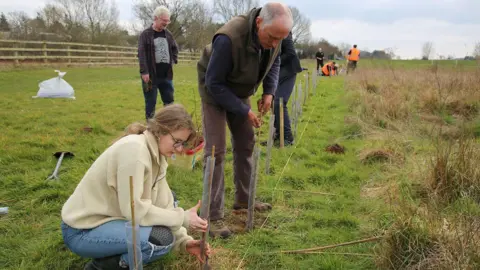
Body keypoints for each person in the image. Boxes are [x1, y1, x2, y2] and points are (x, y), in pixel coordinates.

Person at [60, 104, 211, 270]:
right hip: (83, 230)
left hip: (109, 219)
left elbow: (164, 203)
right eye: (177, 142)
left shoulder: (157, 156)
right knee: (161, 240)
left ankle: (111, 253)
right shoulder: (135, 152)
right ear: (161, 130)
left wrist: (185, 242)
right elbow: (134, 211)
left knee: (171, 201)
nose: (180, 149)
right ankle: (103, 266)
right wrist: (183, 218)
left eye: (182, 143)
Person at [196, 2, 293, 238]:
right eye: (271, 37)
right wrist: (243, 109)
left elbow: (274, 62)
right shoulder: (228, 38)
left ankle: (244, 199)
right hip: (214, 92)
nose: (274, 44)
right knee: (216, 151)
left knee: (246, 143)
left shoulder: (274, 38)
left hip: (241, 91)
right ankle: (213, 216)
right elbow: (214, 83)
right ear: (259, 22)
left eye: (280, 39)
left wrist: (269, 91)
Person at [138, 6, 179, 120]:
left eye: (168, 21)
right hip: (149, 77)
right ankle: (150, 128)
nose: (166, 24)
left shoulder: (168, 34)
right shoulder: (145, 35)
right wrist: (144, 72)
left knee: (169, 103)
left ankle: (169, 125)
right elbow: (141, 54)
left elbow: (175, 48)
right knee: (150, 103)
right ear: (156, 18)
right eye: (164, 21)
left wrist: (173, 60)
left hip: (166, 76)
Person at [269, 31, 302, 146]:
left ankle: (288, 137)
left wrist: (272, 61)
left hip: (289, 71)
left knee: (279, 102)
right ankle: (278, 135)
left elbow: (290, 53)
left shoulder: (284, 32)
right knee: (273, 102)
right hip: (278, 72)